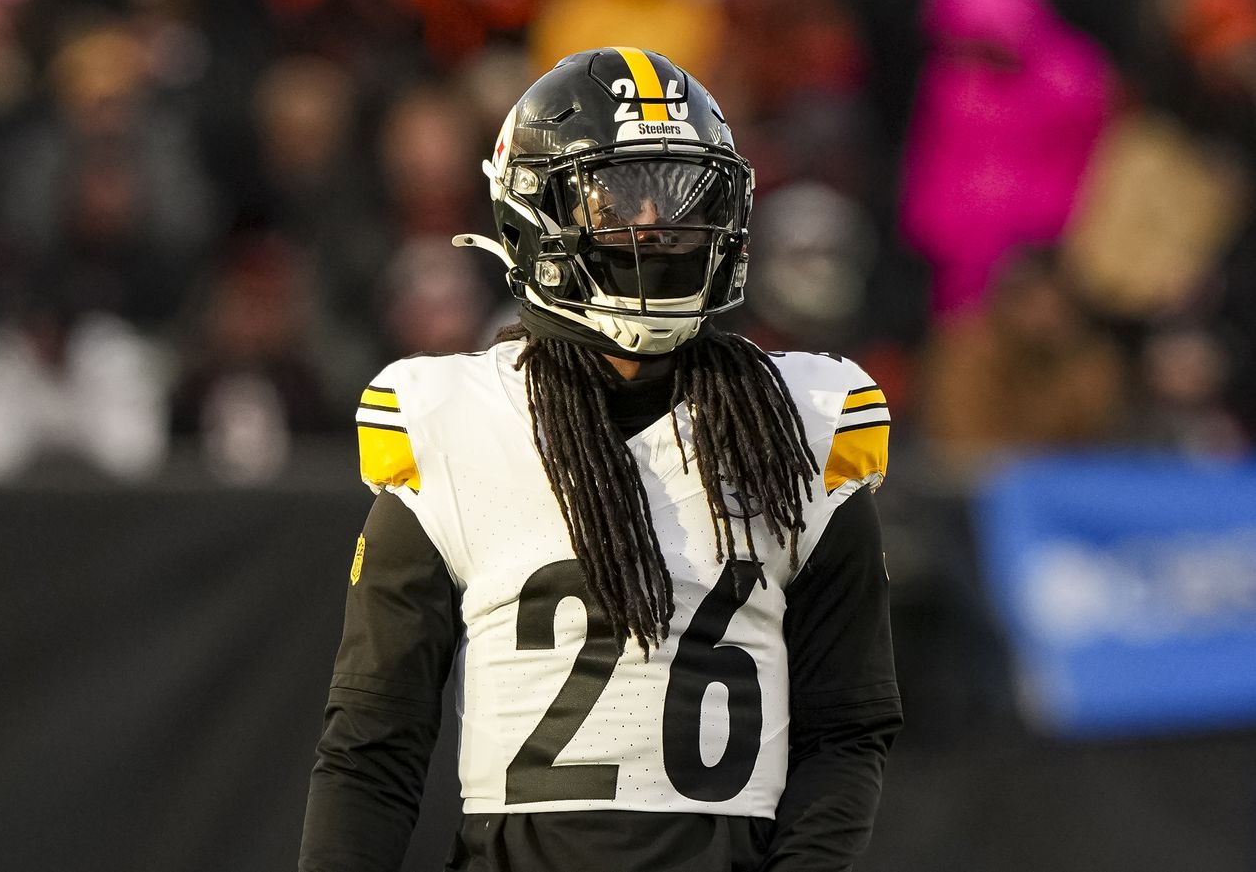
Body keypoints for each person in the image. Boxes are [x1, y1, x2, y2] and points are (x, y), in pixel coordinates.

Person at [299, 47, 901, 872]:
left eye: (685, 194)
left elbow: (846, 731)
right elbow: (374, 746)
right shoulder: (460, 423)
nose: (658, 222)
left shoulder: (794, 429)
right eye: (620, 193)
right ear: (532, 213)